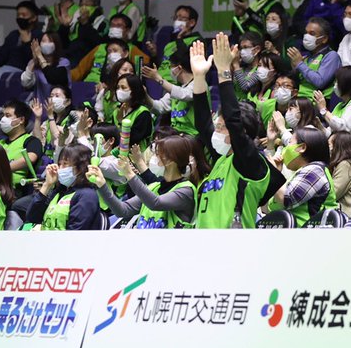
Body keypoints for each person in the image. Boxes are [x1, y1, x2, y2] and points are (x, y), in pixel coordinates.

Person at [191, 34, 278, 228]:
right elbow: (203, 123)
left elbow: (233, 119)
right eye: (218, 126)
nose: (217, 131)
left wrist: (224, 70)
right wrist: (199, 77)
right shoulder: (222, 159)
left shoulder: (250, 161)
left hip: (235, 242)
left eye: (223, 127)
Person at [95, 134, 206, 229]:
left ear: (170, 161)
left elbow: (155, 203)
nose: (153, 157)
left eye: (157, 154)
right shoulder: (154, 187)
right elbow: (122, 210)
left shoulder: (186, 191)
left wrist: (129, 174)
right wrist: (102, 185)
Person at [268, 127, 337, 227]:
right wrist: (277, 173)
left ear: (302, 147)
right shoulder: (302, 172)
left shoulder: (315, 170)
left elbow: (285, 199)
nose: (286, 148)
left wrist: (274, 173)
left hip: (309, 234)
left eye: (290, 142)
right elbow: (268, 207)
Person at [27, 144, 105, 230]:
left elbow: (75, 233)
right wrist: (47, 185)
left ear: (80, 168)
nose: (60, 168)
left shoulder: (87, 195)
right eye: (59, 164)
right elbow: (32, 218)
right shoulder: (60, 191)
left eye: (65, 164)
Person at [0, 100, 44, 196]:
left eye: (8, 115)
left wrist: (2, 168)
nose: (3, 119)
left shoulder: (31, 141)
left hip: (15, 191)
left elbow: (30, 158)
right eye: (3, 115)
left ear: (21, 120)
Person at [290, 17, 341, 99]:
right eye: (306, 32)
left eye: (312, 33)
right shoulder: (307, 57)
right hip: (300, 98)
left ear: (324, 39)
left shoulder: (331, 56)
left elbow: (320, 82)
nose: (306, 36)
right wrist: (295, 67)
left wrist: (300, 64)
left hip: (316, 102)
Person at [329, 131, 351, 215]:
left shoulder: (346, 165)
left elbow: (333, 194)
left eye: (329, 144)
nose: (328, 148)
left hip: (345, 215)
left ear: (339, 146)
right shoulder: (350, 163)